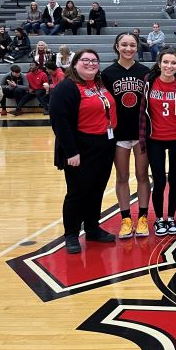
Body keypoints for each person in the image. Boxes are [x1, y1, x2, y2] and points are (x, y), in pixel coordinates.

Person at [49, 48, 117, 254]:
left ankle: (92, 228)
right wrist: (71, 152)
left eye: (94, 61)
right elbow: (59, 122)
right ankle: (70, 234)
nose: (90, 64)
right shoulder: (66, 88)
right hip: (81, 147)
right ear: (75, 63)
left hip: (104, 144)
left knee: (97, 190)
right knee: (77, 193)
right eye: (85, 60)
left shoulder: (99, 84)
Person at [102, 33, 152, 239]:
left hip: (141, 132)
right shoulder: (107, 73)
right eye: (124, 45)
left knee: (142, 175)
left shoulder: (146, 72)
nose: (128, 48)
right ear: (116, 46)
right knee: (122, 177)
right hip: (119, 133)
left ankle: (142, 217)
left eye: (132, 45)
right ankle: (125, 218)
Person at [139, 48, 176, 237]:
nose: (169, 66)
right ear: (159, 64)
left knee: (174, 180)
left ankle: (172, 216)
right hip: (155, 139)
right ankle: (160, 219)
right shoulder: (149, 81)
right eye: (166, 62)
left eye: (173, 63)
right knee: (159, 181)